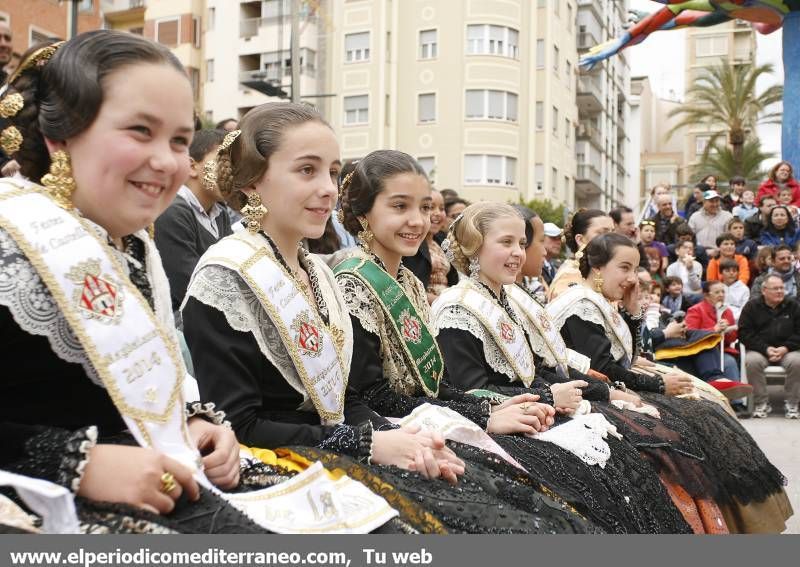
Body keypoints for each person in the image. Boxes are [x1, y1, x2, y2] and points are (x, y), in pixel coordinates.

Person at [180, 106, 591, 534]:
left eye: (332, 172)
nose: (325, 189)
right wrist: (374, 441)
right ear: (252, 181)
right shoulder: (227, 277)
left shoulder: (317, 273)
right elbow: (240, 425)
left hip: (346, 443)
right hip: (283, 465)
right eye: (306, 170)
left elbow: (343, 400)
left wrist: (407, 439)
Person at [0, 30, 282, 534]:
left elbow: (136, 382)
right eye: (139, 131)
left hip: (166, 482)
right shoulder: (9, 242)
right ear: (59, 137)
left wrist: (193, 423)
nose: (167, 161)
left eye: (178, 140)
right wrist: (75, 462)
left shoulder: (132, 247)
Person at [433, 203, 720, 534]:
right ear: (474, 245)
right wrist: (550, 396)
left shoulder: (505, 299)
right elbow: (473, 391)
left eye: (522, 244)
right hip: (499, 423)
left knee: (634, 455)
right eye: (506, 242)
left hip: (534, 408)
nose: (517, 253)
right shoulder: (459, 308)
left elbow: (540, 368)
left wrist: (598, 391)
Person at [546, 234, 792, 533]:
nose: (631, 278)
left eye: (635, 269)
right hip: (593, 391)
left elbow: (628, 357)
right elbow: (606, 369)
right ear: (597, 268)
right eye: (624, 268)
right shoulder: (580, 304)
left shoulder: (600, 301)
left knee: (706, 406)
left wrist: (633, 310)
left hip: (611, 385)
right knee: (693, 421)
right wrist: (660, 387)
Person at [154, 129, 232, 315]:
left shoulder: (220, 212)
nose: (230, 174)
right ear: (192, 167)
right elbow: (191, 287)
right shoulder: (172, 212)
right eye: (221, 162)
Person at [740, 274, 800, 419]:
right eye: (775, 288)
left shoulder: (793, 306)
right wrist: (765, 349)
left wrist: (785, 348)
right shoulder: (752, 307)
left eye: (781, 288)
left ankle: (793, 403)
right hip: (760, 350)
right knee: (752, 362)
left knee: (797, 362)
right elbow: (744, 334)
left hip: (788, 350)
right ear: (764, 290)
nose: (780, 291)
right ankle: (761, 403)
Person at [402, 188, 458, 304]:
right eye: (430, 207)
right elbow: (407, 288)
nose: (437, 213)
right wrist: (443, 303)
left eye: (442, 208)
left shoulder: (442, 241)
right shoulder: (409, 242)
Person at [548, 209, 613, 299]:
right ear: (580, 239)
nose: (612, 239)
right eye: (603, 233)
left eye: (613, 233)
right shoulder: (569, 276)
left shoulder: (604, 270)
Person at [685, 281, 740, 381]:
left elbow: (731, 339)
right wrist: (714, 330)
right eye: (717, 292)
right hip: (702, 352)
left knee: (729, 362)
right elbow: (689, 334)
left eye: (723, 292)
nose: (721, 295)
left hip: (722, 350)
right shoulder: (695, 310)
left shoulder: (727, 311)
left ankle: (734, 395)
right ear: (706, 295)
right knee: (728, 363)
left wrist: (727, 331)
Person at [688, 189, 733, 255]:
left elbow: (730, 238)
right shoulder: (695, 216)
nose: (715, 204)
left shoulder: (728, 216)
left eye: (717, 201)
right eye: (711, 201)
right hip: (699, 253)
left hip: (721, 253)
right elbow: (689, 237)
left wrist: (719, 250)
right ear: (704, 202)